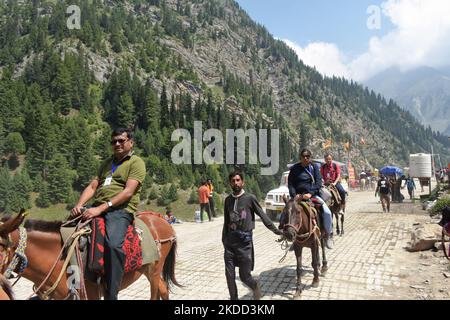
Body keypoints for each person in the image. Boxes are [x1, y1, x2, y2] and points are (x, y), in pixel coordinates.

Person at [70, 128, 146, 300]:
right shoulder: (106, 163)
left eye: (121, 140)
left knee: (113, 244)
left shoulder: (136, 162)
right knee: (67, 233)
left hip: (120, 210)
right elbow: (92, 187)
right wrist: (79, 205)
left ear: (130, 142)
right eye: (114, 142)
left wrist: (101, 208)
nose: (117, 144)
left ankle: (111, 294)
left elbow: (128, 192)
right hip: (97, 206)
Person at [223, 171, 283, 300]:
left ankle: (255, 287)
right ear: (230, 183)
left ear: (242, 182)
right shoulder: (228, 200)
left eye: (238, 180)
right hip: (230, 245)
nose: (236, 182)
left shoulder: (250, 198)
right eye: (233, 180)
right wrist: (224, 241)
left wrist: (277, 231)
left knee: (245, 277)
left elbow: (263, 216)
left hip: (244, 245)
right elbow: (226, 222)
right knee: (229, 276)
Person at [287, 149, 334, 249]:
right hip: (298, 196)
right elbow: (290, 184)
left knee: (327, 212)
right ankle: (287, 235)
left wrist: (310, 193)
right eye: (303, 156)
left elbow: (318, 183)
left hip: (312, 196)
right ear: (300, 157)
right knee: (287, 211)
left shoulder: (314, 167)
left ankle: (328, 235)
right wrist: (294, 195)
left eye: (307, 156)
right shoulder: (294, 169)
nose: (305, 158)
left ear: (310, 157)